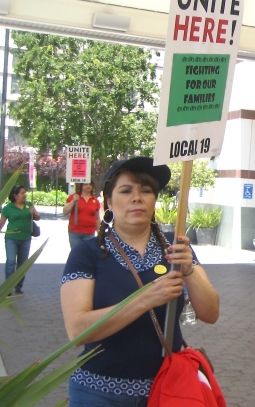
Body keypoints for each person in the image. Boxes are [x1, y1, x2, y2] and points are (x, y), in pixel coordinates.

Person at [60, 157, 220, 406]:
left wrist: (189, 270)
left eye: (146, 191)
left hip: (167, 390)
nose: (137, 198)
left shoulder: (176, 247)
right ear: (109, 201)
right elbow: (77, 331)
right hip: (98, 393)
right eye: (126, 191)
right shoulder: (88, 253)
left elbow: (210, 313)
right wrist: (145, 299)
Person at [0, 185, 40, 294]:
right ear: (15, 195)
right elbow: (1, 223)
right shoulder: (8, 208)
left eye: (25, 192)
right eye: (22, 193)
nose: (24, 195)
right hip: (11, 239)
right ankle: (8, 287)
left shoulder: (29, 205)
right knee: (11, 262)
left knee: (22, 264)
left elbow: (38, 218)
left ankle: (18, 286)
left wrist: (34, 213)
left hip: (25, 238)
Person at [63, 182, 100, 249]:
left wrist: (98, 230)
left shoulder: (95, 200)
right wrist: (73, 201)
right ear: (81, 186)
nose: (88, 186)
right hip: (75, 232)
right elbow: (65, 212)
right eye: (86, 184)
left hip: (89, 233)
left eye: (90, 184)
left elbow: (97, 218)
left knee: (87, 253)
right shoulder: (73, 197)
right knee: (76, 252)